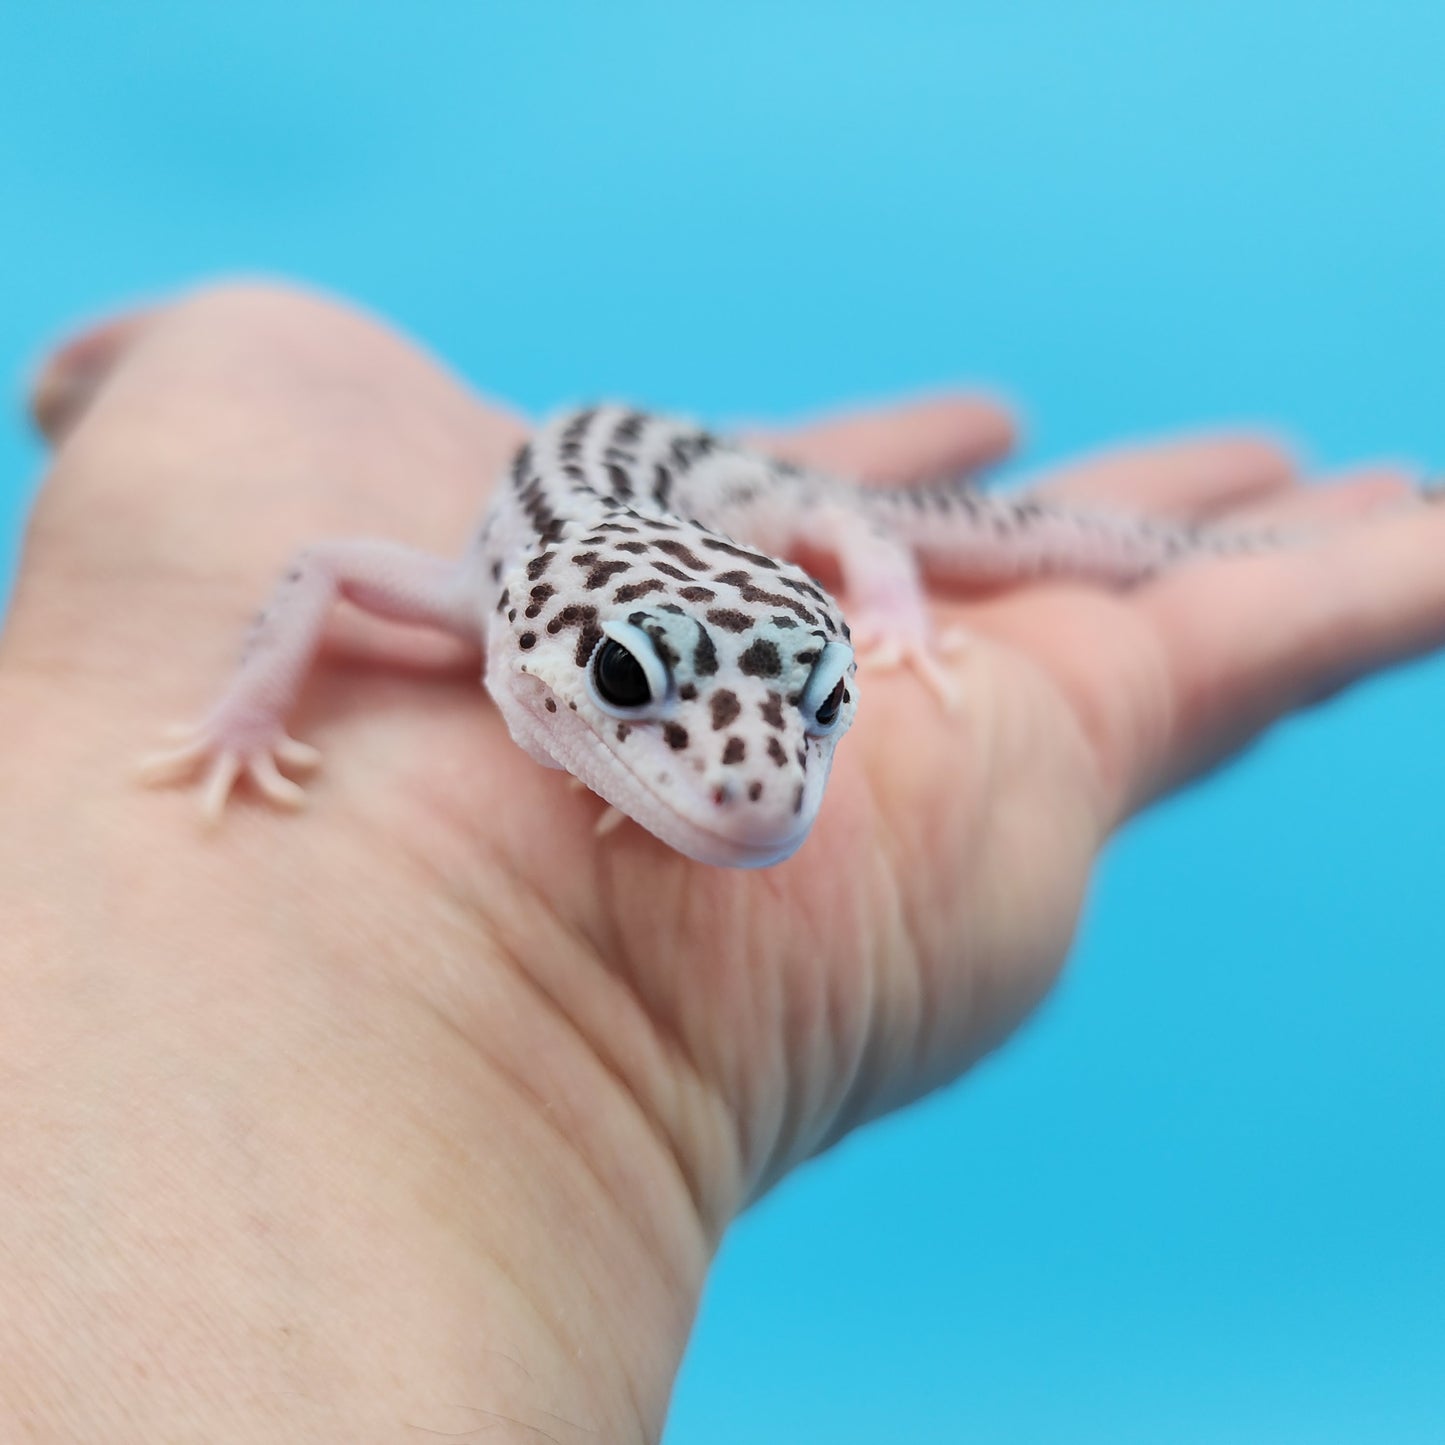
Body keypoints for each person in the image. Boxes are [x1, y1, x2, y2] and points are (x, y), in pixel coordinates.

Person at [0, 282, 1432, 1439]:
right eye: (630, 687)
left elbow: (824, 555)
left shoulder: (740, 572)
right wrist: (247, 711)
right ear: (532, 649)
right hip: (627, 502)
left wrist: (888, 609)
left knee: (1030, 544)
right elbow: (316, 567)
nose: (756, 793)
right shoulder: (475, 598)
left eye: (816, 707)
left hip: (702, 487)